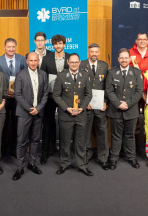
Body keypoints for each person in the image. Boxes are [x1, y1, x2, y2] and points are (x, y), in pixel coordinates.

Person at [52, 53, 93, 176]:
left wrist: (82, 107)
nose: (74, 64)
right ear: (68, 63)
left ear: (79, 63)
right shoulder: (61, 75)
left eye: (76, 62)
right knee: (65, 141)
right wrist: (66, 108)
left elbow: (88, 94)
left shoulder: (85, 75)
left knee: (81, 142)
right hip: (66, 115)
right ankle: (64, 163)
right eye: (72, 62)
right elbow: (56, 95)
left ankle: (82, 165)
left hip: (81, 115)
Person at [106, 48, 144, 169]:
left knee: (130, 135)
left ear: (130, 59)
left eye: (126, 58)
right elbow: (109, 90)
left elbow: (139, 92)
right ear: (118, 59)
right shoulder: (112, 72)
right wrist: (118, 103)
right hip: (115, 110)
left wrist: (127, 103)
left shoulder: (137, 72)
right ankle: (113, 159)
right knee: (116, 136)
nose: (123, 60)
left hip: (131, 110)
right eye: (121, 58)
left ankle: (132, 158)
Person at [13, 51, 48, 180]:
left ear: (38, 61)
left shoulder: (43, 75)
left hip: (38, 114)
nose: (33, 63)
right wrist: (30, 109)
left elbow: (45, 94)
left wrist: (38, 109)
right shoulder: (20, 75)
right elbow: (17, 94)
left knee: (35, 140)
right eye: (31, 61)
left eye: (35, 61)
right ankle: (20, 167)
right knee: (21, 141)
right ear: (27, 61)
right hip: (24, 113)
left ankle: (32, 163)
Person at [40, 34, 70, 164]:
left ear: (64, 44)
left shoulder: (70, 58)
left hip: (65, 97)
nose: (58, 46)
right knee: (48, 123)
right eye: (56, 44)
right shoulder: (47, 58)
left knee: (65, 124)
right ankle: (46, 151)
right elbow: (42, 77)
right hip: (50, 96)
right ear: (53, 45)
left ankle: (64, 151)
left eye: (60, 43)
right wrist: (48, 93)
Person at [0, 37, 27, 158]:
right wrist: (5, 92)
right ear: (4, 47)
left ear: (15, 47)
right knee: (2, 124)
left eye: (13, 47)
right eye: (8, 47)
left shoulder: (22, 60)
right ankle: (3, 149)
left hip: (18, 98)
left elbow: (26, 76)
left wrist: (17, 92)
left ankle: (15, 148)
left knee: (17, 124)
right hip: (3, 97)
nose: (11, 49)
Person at [84, 43, 109, 169]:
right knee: (85, 132)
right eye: (91, 52)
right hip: (86, 105)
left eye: (96, 52)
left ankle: (103, 157)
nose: (94, 54)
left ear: (99, 53)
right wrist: (84, 102)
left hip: (101, 106)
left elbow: (107, 86)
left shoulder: (104, 65)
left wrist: (106, 102)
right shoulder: (82, 65)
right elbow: (79, 85)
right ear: (88, 52)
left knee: (102, 132)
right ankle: (86, 155)